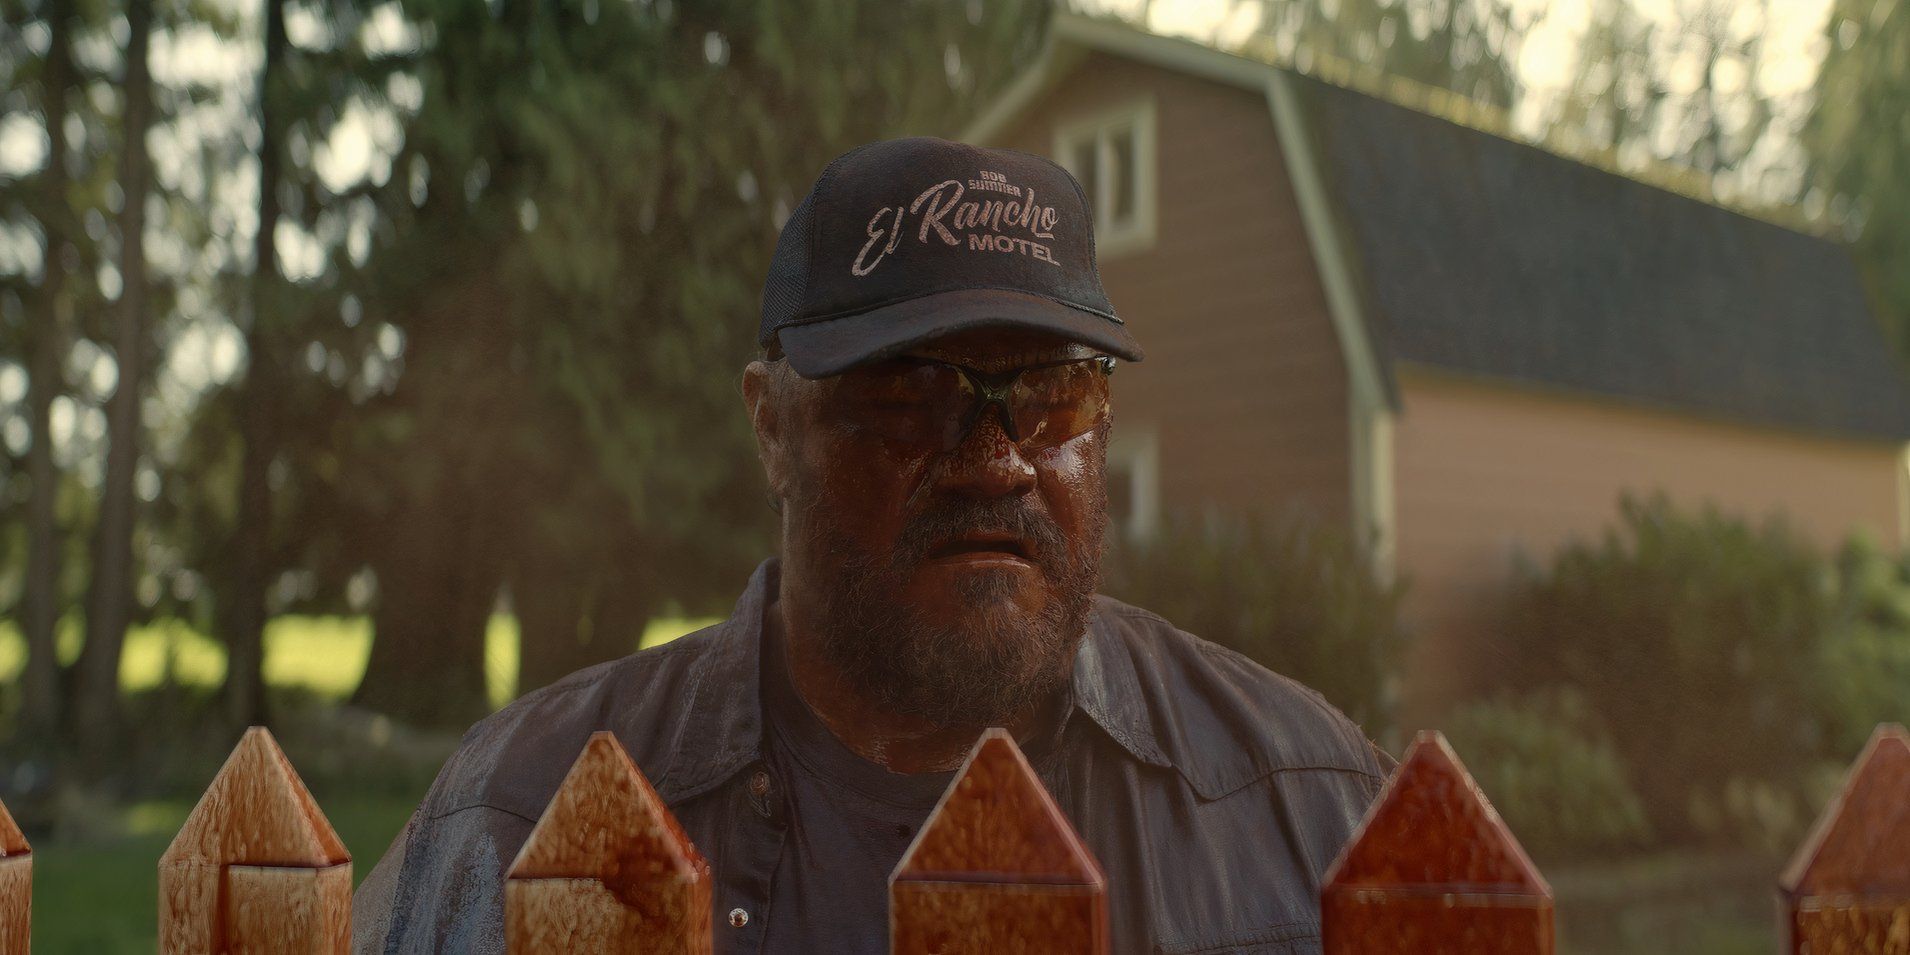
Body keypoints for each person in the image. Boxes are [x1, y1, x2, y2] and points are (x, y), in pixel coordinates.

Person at [352, 137, 1393, 954]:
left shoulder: (1307, 808)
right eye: (907, 396)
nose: (992, 461)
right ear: (769, 423)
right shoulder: (514, 818)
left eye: (1051, 392)